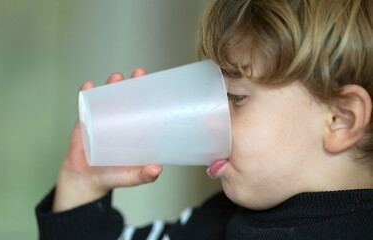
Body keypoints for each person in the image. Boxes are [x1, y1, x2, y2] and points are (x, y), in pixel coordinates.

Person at [35, 0, 373, 239]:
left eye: (235, 98)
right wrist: (82, 185)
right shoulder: (216, 222)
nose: (208, 119)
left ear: (340, 119)